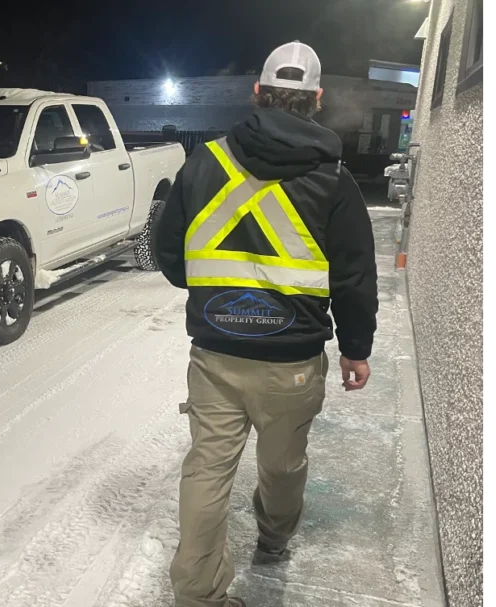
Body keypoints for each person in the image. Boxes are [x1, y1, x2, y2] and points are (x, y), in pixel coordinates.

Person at [154, 41, 378, 607]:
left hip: (214, 356)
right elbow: (354, 275)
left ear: (256, 93)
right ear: (317, 100)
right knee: (282, 466)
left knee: (206, 469)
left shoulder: (204, 162)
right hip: (292, 364)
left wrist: (215, 290)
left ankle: (197, 594)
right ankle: (274, 538)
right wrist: (355, 348)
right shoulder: (335, 181)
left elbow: (170, 255)